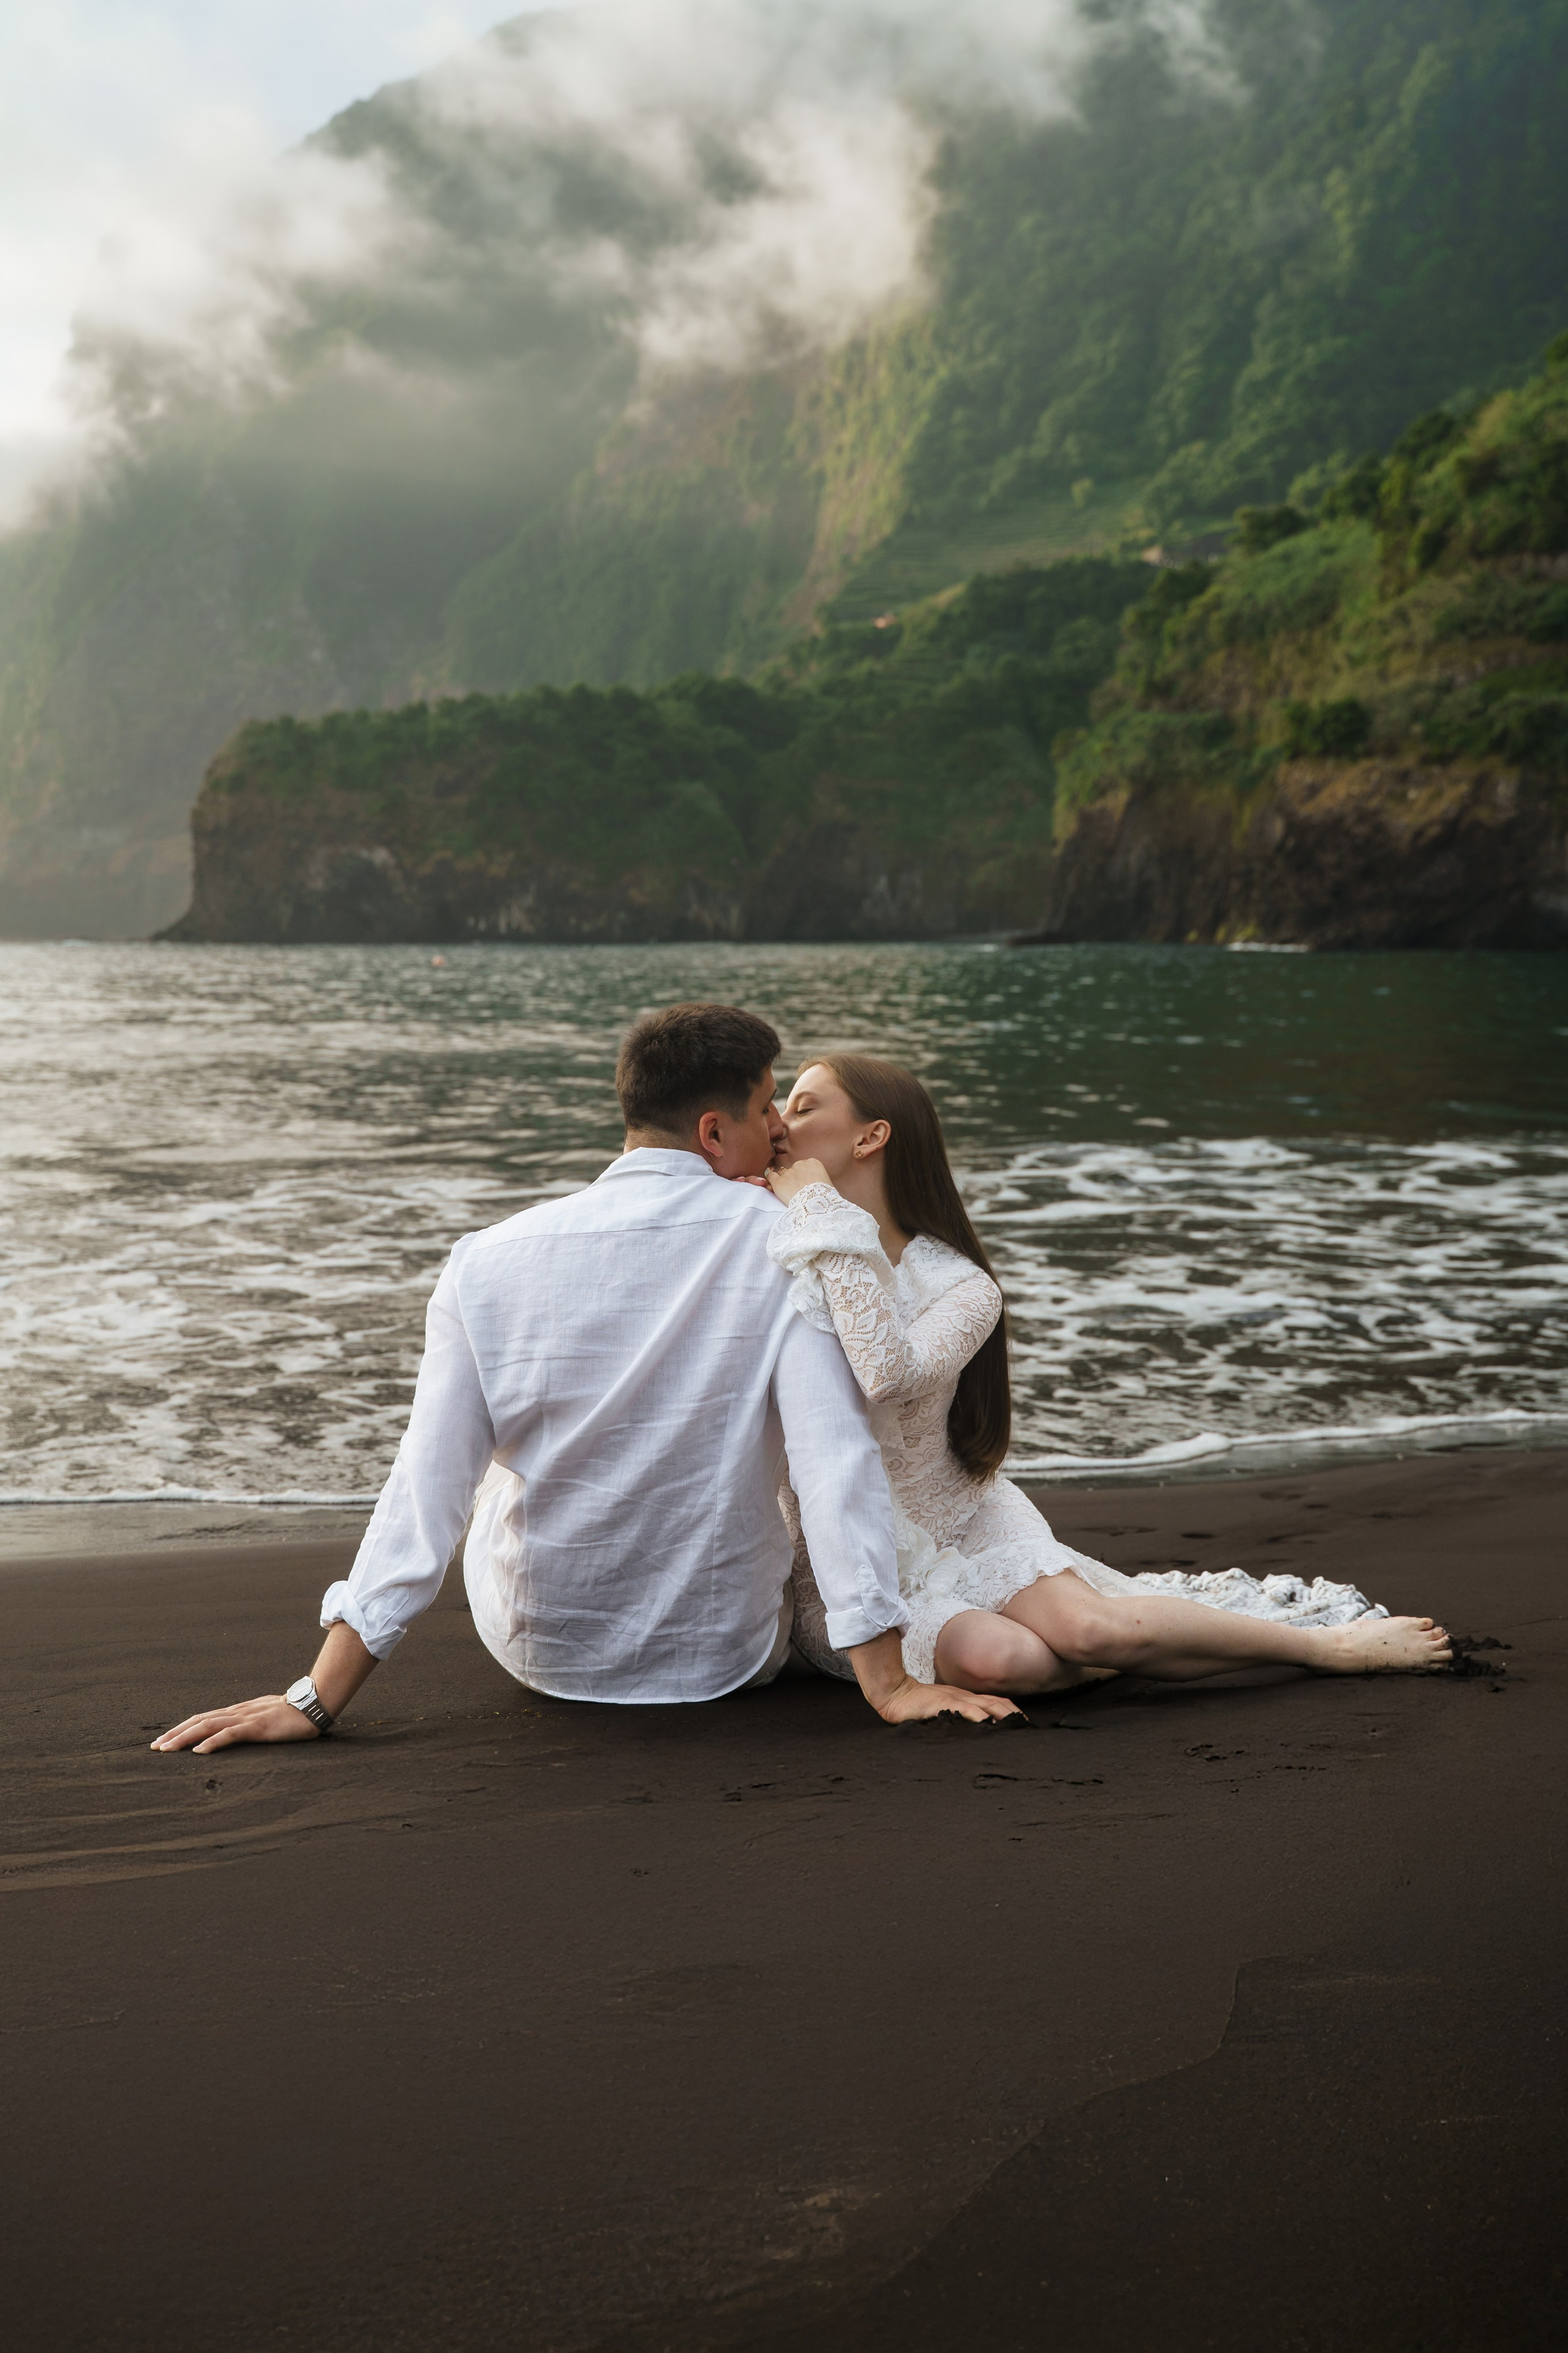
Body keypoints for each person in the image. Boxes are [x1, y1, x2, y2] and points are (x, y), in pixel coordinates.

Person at [151, 1007, 1020, 1756]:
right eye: (767, 1113)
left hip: (542, 1655)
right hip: (727, 1657)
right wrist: (887, 1680)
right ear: (716, 1132)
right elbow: (835, 1462)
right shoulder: (787, 1244)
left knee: (486, 1450)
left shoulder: (486, 1259)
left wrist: (316, 1695)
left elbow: (426, 1487)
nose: (781, 1138)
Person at [764, 1054, 1453, 1694]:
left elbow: (887, 1373)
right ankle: (1133, 1647)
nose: (778, 1124)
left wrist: (822, 1211)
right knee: (1013, 1660)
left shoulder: (963, 1285)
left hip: (966, 1513)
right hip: (846, 1557)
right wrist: (812, 1216)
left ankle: (1323, 1648)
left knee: (1088, 1629)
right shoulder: (775, 1243)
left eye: (801, 1106)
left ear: (869, 1137)